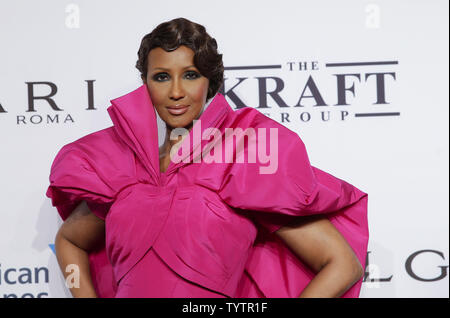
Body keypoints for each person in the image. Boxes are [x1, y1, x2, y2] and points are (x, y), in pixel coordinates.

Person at [46, 17, 369, 298]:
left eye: (190, 75)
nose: (175, 91)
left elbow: (342, 265)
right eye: (161, 77)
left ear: (210, 83)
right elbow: (69, 241)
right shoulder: (119, 170)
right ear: (145, 83)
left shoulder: (242, 161)